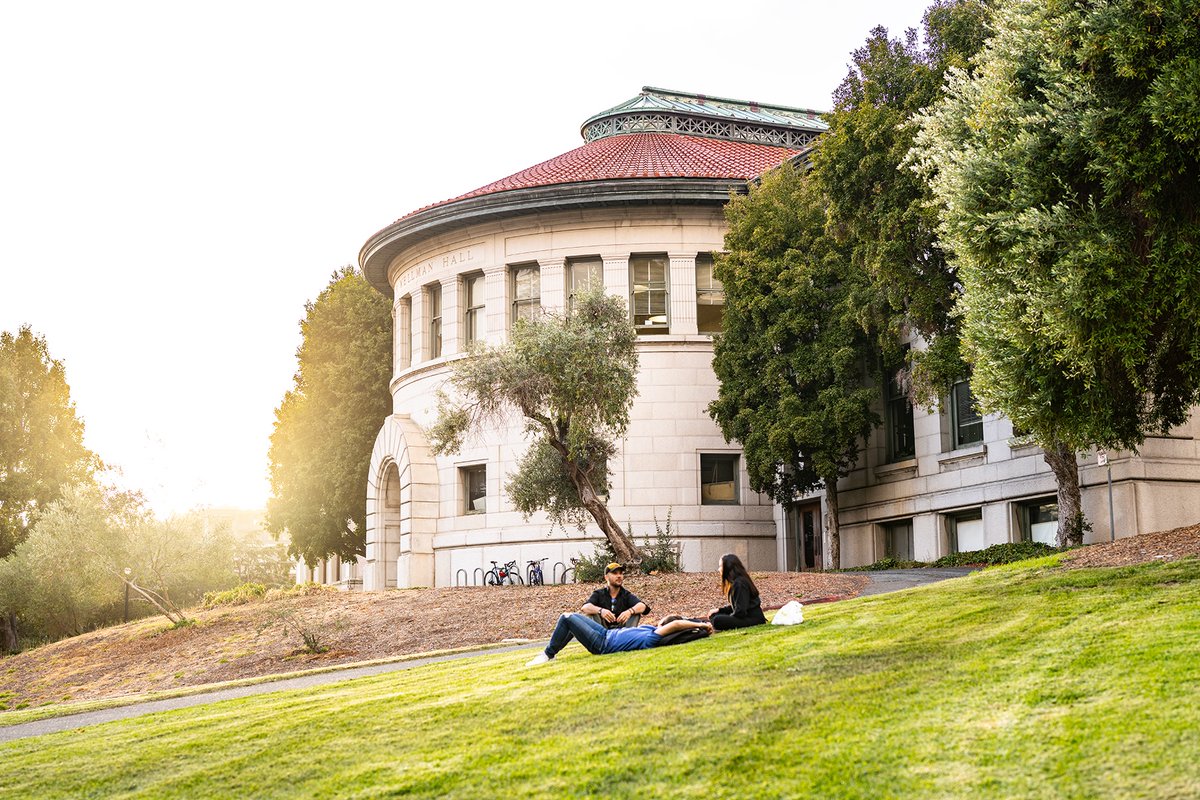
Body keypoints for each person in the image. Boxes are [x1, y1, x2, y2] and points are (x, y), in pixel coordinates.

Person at [525, 614, 711, 665]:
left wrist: (702, 626)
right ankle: (553, 653)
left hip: (602, 644)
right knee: (572, 621)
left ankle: (547, 654)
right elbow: (673, 621)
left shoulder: (653, 639)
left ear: (665, 626)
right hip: (605, 634)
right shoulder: (651, 630)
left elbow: (676, 625)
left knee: (567, 618)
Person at [706, 553, 767, 631]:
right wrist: (720, 610)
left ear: (728, 567)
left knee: (717, 620)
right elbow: (738, 604)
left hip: (753, 619)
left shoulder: (740, 583)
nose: (719, 569)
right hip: (745, 616)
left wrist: (729, 618)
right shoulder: (737, 582)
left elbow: (740, 612)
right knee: (714, 615)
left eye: (721, 566)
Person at [580, 562, 649, 628]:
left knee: (635, 613)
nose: (619, 576)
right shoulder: (599, 594)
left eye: (621, 573)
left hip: (622, 631)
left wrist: (629, 611)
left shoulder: (626, 595)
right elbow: (585, 607)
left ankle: (628, 638)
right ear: (606, 577)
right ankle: (597, 639)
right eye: (615, 573)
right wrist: (601, 611)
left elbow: (643, 606)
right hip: (602, 631)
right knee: (592, 613)